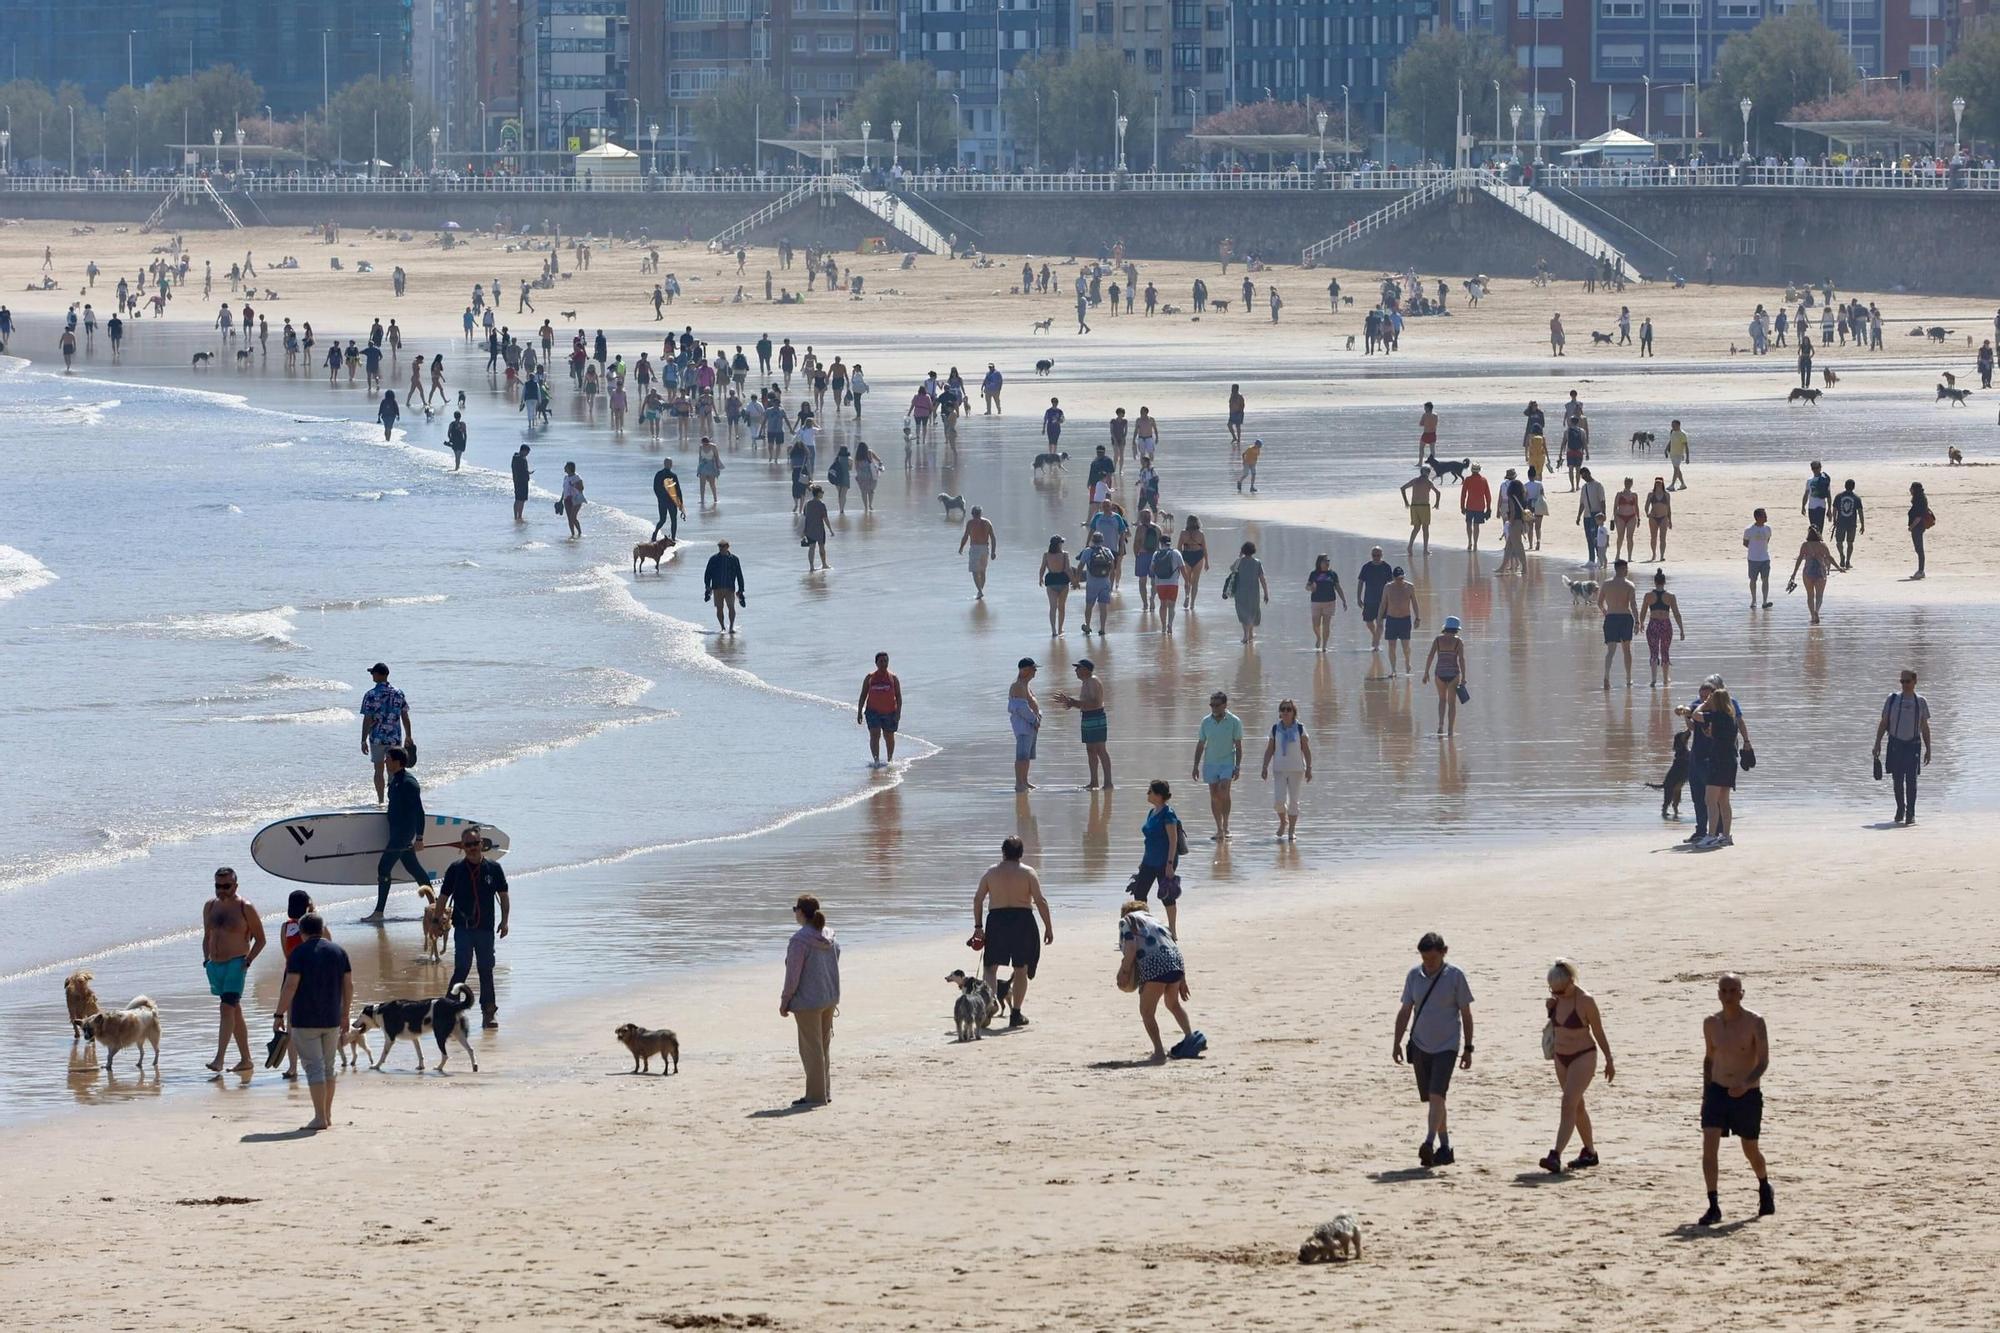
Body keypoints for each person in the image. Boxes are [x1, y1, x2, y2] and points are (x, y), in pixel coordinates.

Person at [1392, 932, 1475, 1168]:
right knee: (1434, 1101)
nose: (1428, 964)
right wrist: (1397, 1041)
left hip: (1447, 1046)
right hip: (1420, 1045)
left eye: (1433, 959)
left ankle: (1428, 1143)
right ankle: (1445, 1148)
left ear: (1443, 952)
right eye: (1424, 959)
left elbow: (1466, 1015)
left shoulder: (1455, 976)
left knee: (1437, 1095)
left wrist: (1468, 1048)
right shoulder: (1413, 976)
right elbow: (1405, 1010)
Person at [1697, 973, 1773, 1226]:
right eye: (1724, 991)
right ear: (1718, 994)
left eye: (1733, 990)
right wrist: (1707, 1093)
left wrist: (1747, 1084)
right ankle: (1713, 1204)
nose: (1728, 996)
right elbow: (1709, 1058)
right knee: (1709, 1146)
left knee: (1750, 1149)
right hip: (1718, 1091)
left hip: (1746, 1094)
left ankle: (1763, 1184)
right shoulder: (1711, 1023)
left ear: (1742, 993)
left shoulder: (1755, 1022)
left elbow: (1763, 1061)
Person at [271, 913, 352, 1131]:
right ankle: (327, 1114)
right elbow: (348, 986)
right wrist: (345, 1014)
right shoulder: (339, 952)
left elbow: (290, 986)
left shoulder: (298, 953)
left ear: (302, 931)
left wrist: (279, 1014)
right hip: (332, 1019)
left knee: (314, 1068)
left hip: (305, 1019)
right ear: (323, 928)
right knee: (328, 1067)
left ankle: (319, 1118)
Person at [1539, 959, 1615, 1175]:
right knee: (1577, 1106)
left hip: (1583, 1056)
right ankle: (1590, 1152)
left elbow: (1598, 1031)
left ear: (1571, 982)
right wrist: (1550, 1009)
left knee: (1567, 1103)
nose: (1558, 995)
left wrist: (1609, 1059)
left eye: (1561, 991)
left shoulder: (1586, 1001)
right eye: (1554, 991)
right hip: (1561, 1057)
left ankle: (1555, 1155)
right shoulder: (1555, 999)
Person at [973, 837, 1053, 1028]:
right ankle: (1015, 1014)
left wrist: (978, 927)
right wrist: (1048, 927)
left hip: (997, 920)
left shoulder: (991, 873)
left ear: (1003, 852)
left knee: (990, 968)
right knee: (1021, 969)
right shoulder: (1028, 873)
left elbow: (978, 899)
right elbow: (1040, 901)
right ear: (1021, 853)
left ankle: (990, 1004)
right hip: (1022, 921)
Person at [442, 825, 511, 1027]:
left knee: (486, 969)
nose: (472, 848)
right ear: (462, 847)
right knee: (461, 969)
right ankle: (448, 1011)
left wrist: (505, 921)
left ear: (482, 844)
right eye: (468, 845)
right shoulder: (455, 869)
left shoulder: (493, 868)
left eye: (475, 843)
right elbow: (443, 898)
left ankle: (488, 1013)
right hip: (463, 929)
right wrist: (438, 922)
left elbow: (504, 896)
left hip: (486, 929)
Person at [1118, 899, 1201, 1063]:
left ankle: (1159, 1052)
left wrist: (1124, 971)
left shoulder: (1127, 920)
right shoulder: (1158, 922)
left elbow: (1131, 947)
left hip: (1155, 964)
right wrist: (1182, 978)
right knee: (1173, 1004)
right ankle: (1190, 1038)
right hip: (1175, 962)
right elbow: (1173, 945)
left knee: (1147, 1012)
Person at [202, 867, 266, 1075]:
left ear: (235, 885)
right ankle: (246, 1059)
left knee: (226, 1008)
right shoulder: (210, 906)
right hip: (215, 965)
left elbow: (261, 939)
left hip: (236, 964)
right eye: (218, 886)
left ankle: (219, 1059)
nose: (222, 890)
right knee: (234, 1011)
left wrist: (247, 961)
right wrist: (206, 960)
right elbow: (207, 935)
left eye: (226, 886)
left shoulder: (245, 907)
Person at [779, 895, 841, 1108]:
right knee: (823, 1047)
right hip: (829, 997)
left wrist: (785, 1000)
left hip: (807, 1001)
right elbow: (835, 958)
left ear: (801, 913)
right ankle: (824, 1091)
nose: (794, 912)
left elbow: (792, 975)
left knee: (811, 1049)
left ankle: (816, 1096)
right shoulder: (830, 936)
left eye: (795, 908)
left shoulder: (799, 941)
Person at [1873, 669, 1933, 825]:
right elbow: (1884, 722)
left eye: (1907, 681)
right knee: (1897, 780)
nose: (1904, 684)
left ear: (1915, 681)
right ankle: (1900, 808)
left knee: (1912, 780)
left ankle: (1911, 813)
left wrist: (1928, 749)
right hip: (1895, 743)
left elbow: (1925, 727)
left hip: (1913, 744)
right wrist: (1877, 742)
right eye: (1902, 681)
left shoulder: (1920, 701)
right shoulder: (1892, 700)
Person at [1128, 780, 1185, 939]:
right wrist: (1142, 861)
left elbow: (1173, 840)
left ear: (1159, 795)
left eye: (1150, 791)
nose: (1147, 794)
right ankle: (1142, 928)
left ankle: (1173, 930)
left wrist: (1170, 864)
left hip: (1164, 861)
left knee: (1167, 895)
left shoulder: (1168, 814)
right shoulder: (1151, 813)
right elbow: (1149, 840)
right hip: (1149, 860)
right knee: (1139, 893)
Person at [358, 662, 414, 806]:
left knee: (378, 769)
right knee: (394, 770)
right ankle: (393, 800)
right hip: (394, 738)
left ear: (378, 674)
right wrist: (408, 735)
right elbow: (405, 716)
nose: (372, 676)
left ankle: (381, 800)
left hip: (377, 737)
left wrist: (363, 740)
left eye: (373, 673)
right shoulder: (398, 693)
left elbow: (367, 718)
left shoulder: (370, 694)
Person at [1191, 692, 1243, 841]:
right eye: (1211, 705)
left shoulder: (1234, 721)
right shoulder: (1206, 722)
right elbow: (1201, 743)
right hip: (1210, 762)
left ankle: (1226, 826)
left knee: (1224, 791)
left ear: (1225, 705)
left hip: (1227, 762)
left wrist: (1237, 766)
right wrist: (1195, 765)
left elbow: (1239, 746)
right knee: (1214, 796)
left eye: (1217, 705)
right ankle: (1219, 829)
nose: (1213, 708)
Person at [1258, 699, 1313, 841]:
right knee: (1278, 801)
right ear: (1280, 713)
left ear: (1294, 712)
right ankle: (1283, 822)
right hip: (1279, 769)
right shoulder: (1275, 729)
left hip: (1297, 769)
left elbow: (1306, 749)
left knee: (1294, 801)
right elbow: (1270, 749)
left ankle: (1292, 831)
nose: (1286, 712)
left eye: (1289, 709)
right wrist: (1264, 767)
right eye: (1283, 709)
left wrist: (1309, 768)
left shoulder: (1300, 728)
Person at [1693, 687, 1740, 847]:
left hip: (1718, 761)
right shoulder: (1730, 717)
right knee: (1723, 801)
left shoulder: (1717, 715)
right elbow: (1720, 736)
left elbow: (1695, 715)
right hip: (1730, 761)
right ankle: (1726, 835)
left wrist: (1703, 705)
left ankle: (1711, 835)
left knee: (1710, 800)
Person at [1056, 658, 1111, 789]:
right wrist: (1071, 703)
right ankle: (1094, 782)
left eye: (1078, 668)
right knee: (1090, 750)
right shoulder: (1086, 682)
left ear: (1086, 669)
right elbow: (1085, 703)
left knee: (1100, 749)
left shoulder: (1092, 681)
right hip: (1087, 717)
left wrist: (1073, 702)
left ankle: (1108, 782)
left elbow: (1095, 703)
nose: (1076, 670)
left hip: (1096, 716)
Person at [1421, 615, 1469, 737]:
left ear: (1445, 627)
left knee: (1442, 700)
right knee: (1451, 703)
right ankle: (1450, 731)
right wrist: (1464, 677)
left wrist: (1426, 672)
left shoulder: (1438, 640)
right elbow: (1461, 660)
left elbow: (1430, 656)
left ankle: (1441, 725)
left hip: (1439, 673)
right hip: (1453, 674)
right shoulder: (1458, 641)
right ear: (1456, 629)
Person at [856, 651, 902, 769]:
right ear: (876, 663)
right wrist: (859, 712)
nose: (883, 664)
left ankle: (889, 760)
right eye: (881, 661)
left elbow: (899, 696)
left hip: (890, 712)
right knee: (875, 735)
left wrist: (898, 713)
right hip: (873, 712)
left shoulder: (893, 678)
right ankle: (876, 761)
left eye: (885, 661)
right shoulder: (870, 677)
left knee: (889, 736)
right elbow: (863, 695)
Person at [1598, 559, 1638, 689]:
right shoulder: (1629, 585)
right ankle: (1628, 678)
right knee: (1626, 650)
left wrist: (1605, 611)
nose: (1627, 571)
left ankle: (1606, 676)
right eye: (1626, 568)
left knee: (1610, 651)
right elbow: (1633, 604)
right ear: (1620, 569)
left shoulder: (1606, 584)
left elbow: (1599, 602)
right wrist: (1637, 621)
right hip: (1625, 617)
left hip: (1611, 617)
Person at [1643, 569, 1686, 689]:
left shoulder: (1648, 596)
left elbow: (1643, 612)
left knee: (1653, 652)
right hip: (1666, 624)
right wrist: (1681, 629)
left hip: (1653, 624)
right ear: (1664, 582)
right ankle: (1666, 679)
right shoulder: (1670, 596)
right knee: (1665, 651)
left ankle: (1653, 679)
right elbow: (1677, 614)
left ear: (1654, 582)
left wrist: (1640, 623)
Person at [1787, 528, 1837, 626]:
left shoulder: (1805, 545)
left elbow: (1800, 559)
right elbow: (1830, 558)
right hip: (1820, 571)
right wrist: (1839, 568)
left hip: (1807, 572)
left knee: (1810, 595)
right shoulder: (1822, 545)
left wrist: (1794, 573)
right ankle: (1816, 610)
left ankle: (1812, 616)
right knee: (1819, 595)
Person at [1008, 658, 1043, 791]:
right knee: (1022, 756)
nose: (1035, 672)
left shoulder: (1025, 685)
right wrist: (1035, 720)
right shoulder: (1017, 686)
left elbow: (1031, 705)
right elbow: (1021, 708)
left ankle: (1025, 781)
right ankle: (1019, 783)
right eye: (1033, 669)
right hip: (1024, 726)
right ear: (1025, 670)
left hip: (1031, 725)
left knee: (1027, 756)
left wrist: (1038, 717)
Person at [1380, 566, 1420, 675]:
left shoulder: (1410, 587)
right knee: (1391, 645)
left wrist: (1417, 618)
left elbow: (1415, 603)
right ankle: (1393, 669)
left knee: (1405, 647)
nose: (1399, 580)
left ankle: (1407, 662)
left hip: (1405, 620)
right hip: (1391, 619)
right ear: (1393, 577)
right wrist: (1379, 620)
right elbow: (1383, 604)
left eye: (1401, 578)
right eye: (1397, 578)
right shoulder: (1388, 587)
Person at [1228, 541, 1269, 645]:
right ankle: (1250, 634)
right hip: (1254, 593)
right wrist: (1266, 593)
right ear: (1253, 551)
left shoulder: (1239, 561)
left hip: (1240, 592)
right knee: (1252, 613)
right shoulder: (1257, 562)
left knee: (1243, 613)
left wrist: (1239, 556)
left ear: (1243, 550)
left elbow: (1232, 569)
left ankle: (1246, 634)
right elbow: (1263, 579)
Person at [703, 539, 746, 634]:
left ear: (728, 547)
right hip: (717, 588)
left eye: (723, 546)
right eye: (720, 547)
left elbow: (739, 575)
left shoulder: (734, 559)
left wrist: (741, 589)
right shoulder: (713, 559)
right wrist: (707, 587)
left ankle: (731, 627)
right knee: (719, 608)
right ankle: (722, 627)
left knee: (731, 607)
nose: (721, 548)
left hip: (730, 588)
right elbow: (707, 574)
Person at [1306, 554, 1346, 652]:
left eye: (1328, 561)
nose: (1327, 563)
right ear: (1319, 562)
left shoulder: (1332, 574)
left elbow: (1338, 587)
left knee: (1326, 624)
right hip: (1316, 602)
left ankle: (1324, 646)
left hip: (1330, 602)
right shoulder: (1314, 574)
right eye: (1325, 561)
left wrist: (1344, 600)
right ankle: (1318, 637)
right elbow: (1307, 587)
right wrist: (1311, 588)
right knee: (1315, 625)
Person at [1357, 547, 1394, 651]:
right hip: (1369, 599)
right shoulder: (1366, 567)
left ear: (1382, 555)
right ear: (1371, 555)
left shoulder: (1386, 567)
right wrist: (1358, 598)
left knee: (1380, 622)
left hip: (1383, 600)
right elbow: (1360, 582)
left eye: (1378, 555)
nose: (1376, 557)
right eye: (1374, 555)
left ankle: (1376, 644)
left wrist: (1391, 599)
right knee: (1369, 622)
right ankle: (1375, 635)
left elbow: (1391, 584)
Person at [1039, 537, 1073, 636]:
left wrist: (1040, 578)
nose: (1062, 544)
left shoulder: (1046, 555)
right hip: (1062, 580)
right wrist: (1074, 581)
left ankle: (1053, 630)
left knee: (1053, 607)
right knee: (1061, 607)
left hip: (1051, 581)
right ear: (1059, 544)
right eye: (1061, 543)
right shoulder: (1065, 554)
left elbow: (1042, 568)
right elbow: (1068, 569)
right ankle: (1060, 629)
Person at [1400, 468, 1438, 555]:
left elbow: (1402, 488)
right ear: (1427, 473)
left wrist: (1406, 501)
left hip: (1414, 506)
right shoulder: (1428, 482)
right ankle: (1425, 550)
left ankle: (1410, 546)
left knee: (1416, 528)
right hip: (1424, 506)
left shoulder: (1415, 481)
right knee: (1425, 528)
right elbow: (1438, 493)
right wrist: (1437, 503)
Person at [1830, 480, 1864, 570]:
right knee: (1850, 543)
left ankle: (1842, 556)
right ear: (1853, 487)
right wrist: (1862, 524)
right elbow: (1860, 512)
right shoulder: (1856, 498)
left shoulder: (1838, 496)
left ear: (1845, 486)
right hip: (1851, 524)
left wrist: (1834, 520)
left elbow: (1834, 509)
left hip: (1841, 522)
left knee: (1839, 542)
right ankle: (1847, 560)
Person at [1744, 508, 1774, 608]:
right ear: (1757, 517)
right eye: (1764, 515)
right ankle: (1754, 601)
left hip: (1765, 558)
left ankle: (1765, 601)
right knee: (1753, 580)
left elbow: (1767, 540)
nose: (1766, 517)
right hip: (1753, 559)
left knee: (1765, 579)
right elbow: (1745, 543)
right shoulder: (1749, 530)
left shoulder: (1768, 529)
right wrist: (1754, 549)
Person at [1458, 463, 1491, 550]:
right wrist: (1488, 508)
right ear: (1479, 470)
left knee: (1468, 524)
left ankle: (1469, 542)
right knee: (1476, 526)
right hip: (1480, 506)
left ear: (1472, 470)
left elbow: (1463, 494)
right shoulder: (1483, 480)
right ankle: (1475, 544)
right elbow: (1488, 496)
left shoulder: (1467, 480)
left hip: (1469, 506)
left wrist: (1462, 506)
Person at [651, 458, 684, 542]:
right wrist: (681, 503)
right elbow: (678, 490)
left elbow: (655, 488)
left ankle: (655, 534)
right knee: (673, 520)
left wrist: (659, 498)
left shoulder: (658, 474)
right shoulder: (673, 475)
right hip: (671, 501)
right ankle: (673, 538)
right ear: (671, 465)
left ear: (664, 464)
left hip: (663, 501)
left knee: (662, 520)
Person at [801, 484, 832, 571]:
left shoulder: (807, 504)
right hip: (819, 529)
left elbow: (804, 517)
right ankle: (824, 564)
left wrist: (803, 531)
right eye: (822, 492)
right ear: (818, 494)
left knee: (811, 548)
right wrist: (830, 530)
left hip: (809, 529)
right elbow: (825, 518)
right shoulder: (821, 505)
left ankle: (811, 567)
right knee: (821, 547)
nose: (823, 494)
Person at [1800, 460, 1832, 535]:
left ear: (1820, 468)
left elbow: (1828, 495)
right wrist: (1803, 506)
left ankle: (1819, 543)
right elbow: (1806, 494)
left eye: (1817, 468)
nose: (1815, 470)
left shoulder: (1825, 480)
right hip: (1811, 506)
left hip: (1821, 506)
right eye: (1813, 468)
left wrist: (1829, 509)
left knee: (1819, 528)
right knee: (1813, 528)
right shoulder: (1809, 480)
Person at [1908, 482, 1932, 580]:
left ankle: (1921, 571)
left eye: (1911, 488)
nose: (1910, 490)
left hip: (1918, 527)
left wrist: (1912, 526)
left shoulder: (1919, 500)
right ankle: (1920, 570)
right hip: (1917, 527)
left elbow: (1918, 516)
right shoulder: (1919, 499)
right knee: (1918, 549)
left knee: (1919, 549)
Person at [560, 462, 585, 540]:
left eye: (566, 467)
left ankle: (580, 533)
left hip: (576, 499)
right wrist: (560, 500)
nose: (564, 468)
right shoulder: (565, 477)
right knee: (569, 518)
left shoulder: (577, 477)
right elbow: (564, 490)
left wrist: (574, 485)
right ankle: (573, 534)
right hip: (567, 499)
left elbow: (582, 488)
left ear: (570, 468)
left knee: (573, 517)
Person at [1665, 420, 1690, 491]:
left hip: (1679, 454)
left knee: (1676, 469)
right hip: (1672, 453)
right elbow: (1670, 441)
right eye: (1672, 425)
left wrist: (1687, 457)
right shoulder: (1672, 432)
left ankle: (1672, 485)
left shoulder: (1682, 434)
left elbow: (1686, 446)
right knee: (1677, 470)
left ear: (1678, 425)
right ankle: (1683, 484)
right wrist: (1666, 449)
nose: (1672, 426)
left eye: (1674, 425)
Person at [511, 444, 532, 522]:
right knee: (520, 500)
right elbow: (521, 470)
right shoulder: (520, 459)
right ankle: (518, 516)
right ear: (523, 451)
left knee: (519, 499)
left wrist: (528, 472)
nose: (527, 454)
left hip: (518, 481)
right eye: (527, 452)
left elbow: (521, 470)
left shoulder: (516, 458)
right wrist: (527, 473)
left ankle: (517, 516)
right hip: (521, 481)